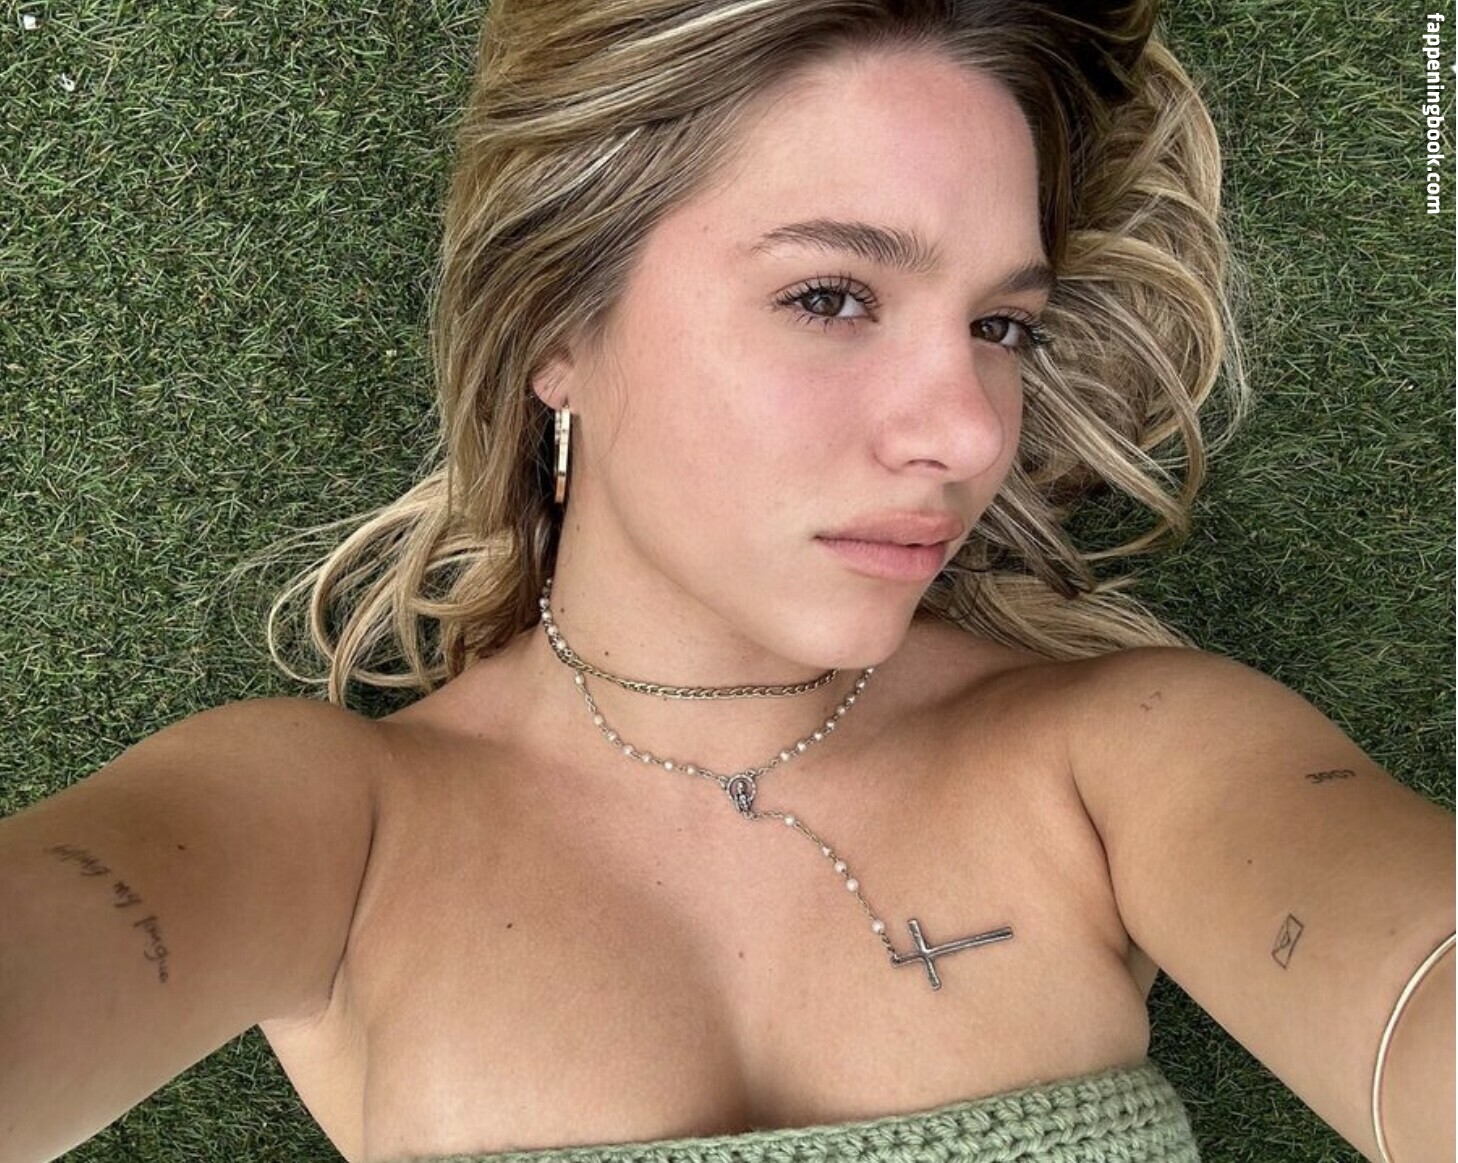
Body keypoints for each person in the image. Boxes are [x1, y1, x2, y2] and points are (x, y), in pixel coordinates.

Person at [1, 2, 1452, 1162]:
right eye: (830, 296)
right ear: (556, 327)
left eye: (999, 326)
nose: (965, 432)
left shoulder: (1128, 761)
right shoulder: (331, 827)